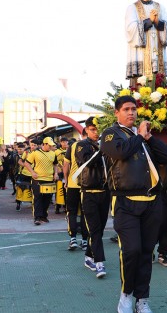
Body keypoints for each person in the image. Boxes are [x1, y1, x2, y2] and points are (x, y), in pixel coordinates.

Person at [100, 95, 167, 313]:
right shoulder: (110, 134)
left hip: (152, 202)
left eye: (134, 109)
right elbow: (120, 152)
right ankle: (126, 294)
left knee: (146, 252)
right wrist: (140, 137)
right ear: (117, 113)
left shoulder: (142, 138)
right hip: (125, 202)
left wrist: (149, 138)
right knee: (131, 251)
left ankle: (142, 299)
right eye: (126, 109)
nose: (131, 113)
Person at [75, 117, 111, 278]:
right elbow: (87, 162)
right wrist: (102, 150)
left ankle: (89, 257)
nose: (96, 132)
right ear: (86, 130)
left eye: (98, 129)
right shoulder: (81, 145)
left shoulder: (105, 146)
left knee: (99, 230)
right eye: (93, 129)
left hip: (105, 193)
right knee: (95, 230)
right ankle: (99, 263)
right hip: (88, 193)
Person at [125, 0, 167, 82]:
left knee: (160, 88)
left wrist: (157, 22)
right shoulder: (132, 8)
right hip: (141, 55)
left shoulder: (160, 7)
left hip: (157, 54)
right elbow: (130, 29)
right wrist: (149, 21)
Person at [24, 137, 59, 225]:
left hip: (49, 179)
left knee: (47, 199)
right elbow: (26, 163)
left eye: (52, 145)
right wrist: (32, 172)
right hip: (38, 179)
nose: (51, 147)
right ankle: (37, 217)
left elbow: (55, 164)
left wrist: (56, 173)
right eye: (50, 145)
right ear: (44, 144)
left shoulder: (53, 154)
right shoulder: (35, 153)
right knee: (38, 198)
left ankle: (44, 216)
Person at [64, 130, 89, 251]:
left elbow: (65, 165)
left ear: (81, 135)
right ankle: (84, 240)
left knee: (71, 211)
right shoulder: (95, 145)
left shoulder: (73, 146)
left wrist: (66, 180)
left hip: (73, 184)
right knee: (85, 213)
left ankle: (73, 238)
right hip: (87, 185)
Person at [54, 137, 69, 214]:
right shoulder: (56, 151)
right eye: (63, 142)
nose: (64, 143)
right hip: (60, 173)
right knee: (59, 190)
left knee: (66, 191)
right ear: (60, 143)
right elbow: (54, 162)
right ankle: (57, 207)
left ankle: (66, 206)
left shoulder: (69, 150)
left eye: (66, 141)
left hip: (68, 173)